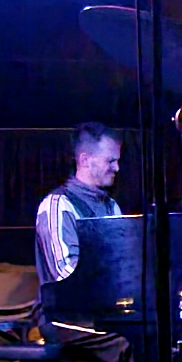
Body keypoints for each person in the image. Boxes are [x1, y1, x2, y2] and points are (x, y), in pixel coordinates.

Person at [35, 124, 123, 293]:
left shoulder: (111, 206)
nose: (117, 168)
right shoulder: (58, 205)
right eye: (110, 161)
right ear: (85, 160)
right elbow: (65, 274)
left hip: (105, 304)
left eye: (117, 161)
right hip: (68, 308)